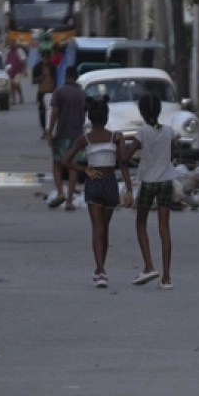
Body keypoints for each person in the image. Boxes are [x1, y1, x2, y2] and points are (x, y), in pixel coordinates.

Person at [61, 96, 133, 289]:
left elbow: (65, 161)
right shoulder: (115, 137)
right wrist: (129, 188)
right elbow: (123, 165)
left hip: (94, 184)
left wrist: (85, 170)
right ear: (107, 117)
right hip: (110, 184)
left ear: (89, 118)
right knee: (105, 229)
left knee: (97, 228)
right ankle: (102, 269)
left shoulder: (85, 139)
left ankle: (99, 270)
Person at [120, 93, 177, 289]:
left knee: (141, 223)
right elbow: (174, 152)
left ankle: (149, 266)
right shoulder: (169, 131)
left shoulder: (142, 133)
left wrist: (121, 146)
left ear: (142, 113)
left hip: (149, 182)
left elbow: (126, 157)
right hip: (166, 181)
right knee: (164, 228)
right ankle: (167, 277)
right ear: (159, 111)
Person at [47, 67, 86, 211]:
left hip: (62, 135)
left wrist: (50, 132)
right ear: (76, 76)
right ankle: (69, 200)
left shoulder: (60, 92)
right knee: (72, 167)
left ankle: (60, 193)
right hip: (77, 136)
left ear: (66, 76)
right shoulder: (82, 94)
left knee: (57, 165)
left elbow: (54, 113)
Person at [33, 44, 58, 137]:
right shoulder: (38, 67)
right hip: (41, 92)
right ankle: (44, 130)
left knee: (51, 112)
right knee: (42, 112)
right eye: (44, 57)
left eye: (47, 58)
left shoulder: (53, 67)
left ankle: (50, 130)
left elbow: (56, 80)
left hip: (51, 92)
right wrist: (40, 78)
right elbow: (33, 80)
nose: (46, 59)